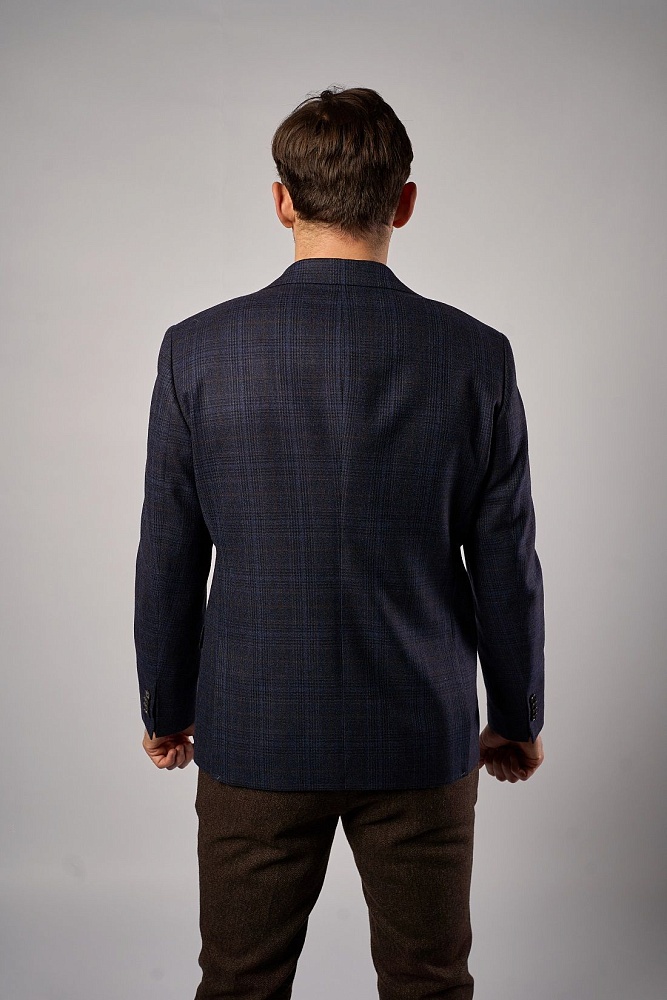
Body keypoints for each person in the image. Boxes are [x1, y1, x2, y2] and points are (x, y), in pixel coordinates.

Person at [134, 85, 545, 1000]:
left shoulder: (197, 351)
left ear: (282, 201)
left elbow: (168, 550)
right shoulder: (476, 357)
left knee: (238, 983)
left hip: (254, 731)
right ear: (404, 201)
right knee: (429, 982)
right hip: (421, 733)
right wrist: (517, 716)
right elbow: (506, 562)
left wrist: (165, 703)